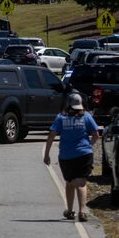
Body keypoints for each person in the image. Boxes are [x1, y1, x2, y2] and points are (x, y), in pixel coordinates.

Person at [44, 93, 99, 222]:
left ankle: (70, 210)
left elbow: (52, 135)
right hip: (84, 154)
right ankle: (82, 210)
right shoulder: (86, 117)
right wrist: (88, 145)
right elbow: (96, 134)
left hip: (66, 156)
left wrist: (47, 154)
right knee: (81, 183)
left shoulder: (61, 118)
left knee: (70, 182)